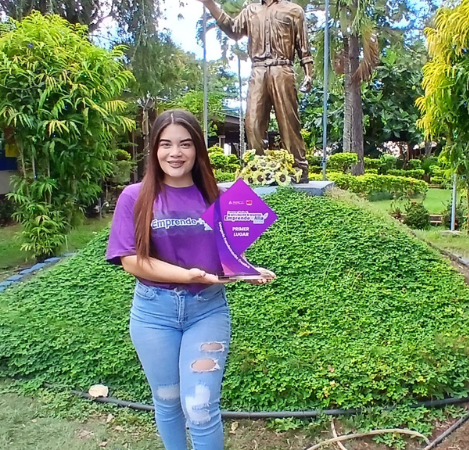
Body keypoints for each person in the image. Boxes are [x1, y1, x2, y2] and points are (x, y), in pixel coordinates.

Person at [106, 109, 276, 450]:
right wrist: (188, 275)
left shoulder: (219, 197)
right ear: (154, 149)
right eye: (165, 144)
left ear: (198, 149)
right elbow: (132, 261)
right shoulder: (135, 196)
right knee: (168, 400)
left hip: (207, 312)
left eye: (185, 144)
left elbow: (225, 254)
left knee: (199, 406)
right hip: (153, 314)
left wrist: (244, 269)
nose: (175, 153)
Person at [199, 0, 314, 183]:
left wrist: (309, 74)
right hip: (258, 70)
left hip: (282, 68)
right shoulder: (251, 10)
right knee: (252, 122)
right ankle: (258, 169)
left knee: (288, 123)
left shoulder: (294, 11)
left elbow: (304, 47)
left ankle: (298, 168)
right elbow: (233, 30)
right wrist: (210, 4)